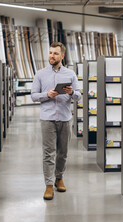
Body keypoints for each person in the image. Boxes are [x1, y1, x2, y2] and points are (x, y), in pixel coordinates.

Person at [31, 42, 81, 200]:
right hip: (48, 119)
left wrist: (72, 92)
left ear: (62, 56)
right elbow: (33, 96)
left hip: (65, 119)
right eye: (50, 53)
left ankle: (59, 178)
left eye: (55, 53)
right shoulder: (40, 74)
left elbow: (79, 96)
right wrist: (47, 95)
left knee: (63, 153)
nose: (51, 56)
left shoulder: (70, 74)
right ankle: (48, 185)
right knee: (48, 153)